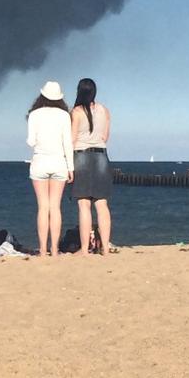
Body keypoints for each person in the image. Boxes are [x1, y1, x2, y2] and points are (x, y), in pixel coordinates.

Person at [26, 81, 74, 256]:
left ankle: (43, 249)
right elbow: (68, 143)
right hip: (59, 162)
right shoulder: (64, 116)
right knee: (55, 207)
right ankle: (54, 249)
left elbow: (30, 141)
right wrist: (71, 168)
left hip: (40, 161)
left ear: (42, 96)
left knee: (43, 207)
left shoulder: (34, 115)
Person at [70, 78, 112, 256]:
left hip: (82, 155)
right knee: (102, 204)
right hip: (101, 155)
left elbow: (72, 140)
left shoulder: (76, 112)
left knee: (84, 204)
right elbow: (105, 137)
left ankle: (85, 249)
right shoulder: (104, 110)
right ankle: (106, 248)